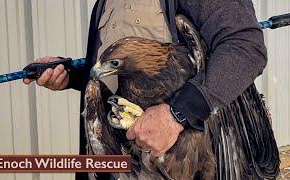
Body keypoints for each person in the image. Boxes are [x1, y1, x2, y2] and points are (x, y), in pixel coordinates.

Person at [24, 0, 268, 179]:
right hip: (131, 162)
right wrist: (69, 75)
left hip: (195, 162)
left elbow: (245, 48)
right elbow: (130, 76)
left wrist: (178, 115)